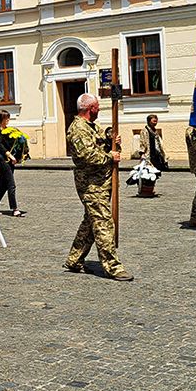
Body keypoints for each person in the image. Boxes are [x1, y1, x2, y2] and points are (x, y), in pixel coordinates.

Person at [63, 94, 133, 280]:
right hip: (90, 184)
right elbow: (88, 155)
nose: (99, 109)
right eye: (96, 106)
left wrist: (110, 136)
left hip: (101, 182)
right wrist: (110, 156)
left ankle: (74, 259)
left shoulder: (90, 126)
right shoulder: (77, 129)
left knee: (90, 222)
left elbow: (99, 138)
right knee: (103, 223)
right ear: (89, 109)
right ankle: (112, 266)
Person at [0, 110, 24, 216]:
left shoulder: (8, 130)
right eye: (6, 118)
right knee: (11, 184)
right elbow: (0, 146)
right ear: (1, 119)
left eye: (9, 118)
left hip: (9, 160)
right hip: (2, 159)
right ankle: (14, 208)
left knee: (4, 185)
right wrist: (10, 156)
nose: (8, 120)